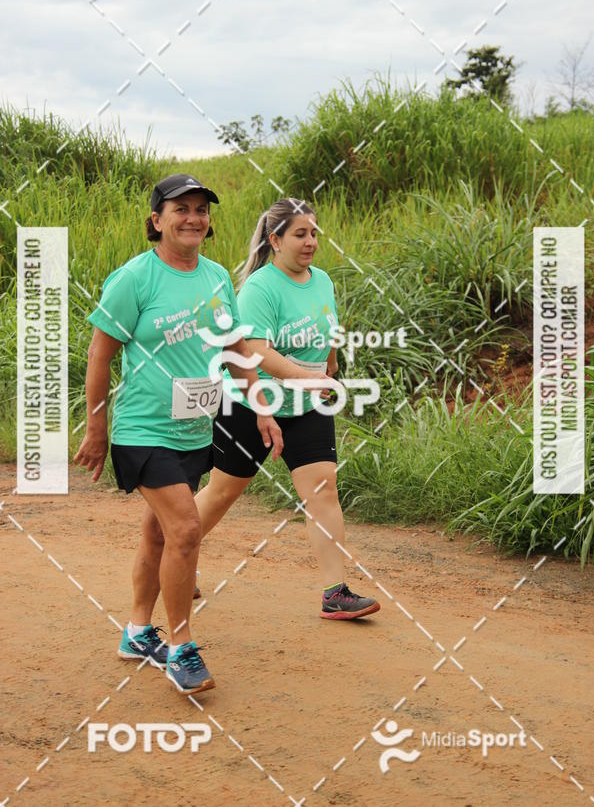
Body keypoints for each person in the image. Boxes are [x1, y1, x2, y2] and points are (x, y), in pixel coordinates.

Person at [74, 173, 282, 694]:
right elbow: (102, 353)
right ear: (157, 220)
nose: (193, 217)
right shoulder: (134, 279)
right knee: (186, 529)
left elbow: (235, 346)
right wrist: (96, 424)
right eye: (180, 209)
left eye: (200, 210)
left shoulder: (214, 277)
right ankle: (181, 647)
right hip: (143, 429)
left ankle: (138, 631)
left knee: (160, 531)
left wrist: (259, 407)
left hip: (194, 428)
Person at [194, 198, 381, 620]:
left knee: (323, 491)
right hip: (250, 401)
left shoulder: (324, 281)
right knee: (224, 491)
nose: (311, 241)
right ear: (275, 240)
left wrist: (331, 369)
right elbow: (256, 352)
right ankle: (176, 555)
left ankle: (335, 593)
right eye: (300, 234)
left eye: (314, 232)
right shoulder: (260, 287)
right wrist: (309, 378)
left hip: (307, 403)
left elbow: (328, 327)